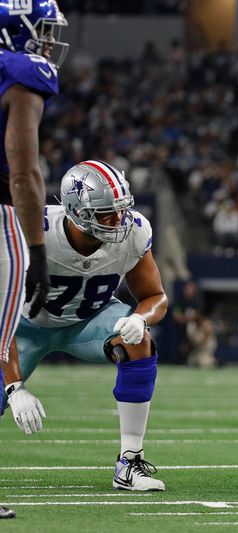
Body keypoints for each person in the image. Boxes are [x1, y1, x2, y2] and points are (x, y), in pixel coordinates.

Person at [1, 160, 168, 492]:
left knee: (137, 341)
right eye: (107, 213)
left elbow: (155, 296)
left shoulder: (133, 231)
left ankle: (130, 462)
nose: (118, 220)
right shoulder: (32, 230)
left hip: (88, 321)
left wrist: (140, 318)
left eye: (120, 209)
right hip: (23, 328)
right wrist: (14, 387)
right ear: (76, 212)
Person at [0, 2, 68, 518]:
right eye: (43, 31)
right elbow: (24, 170)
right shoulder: (22, 71)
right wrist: (37, 253)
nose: (48, 43)